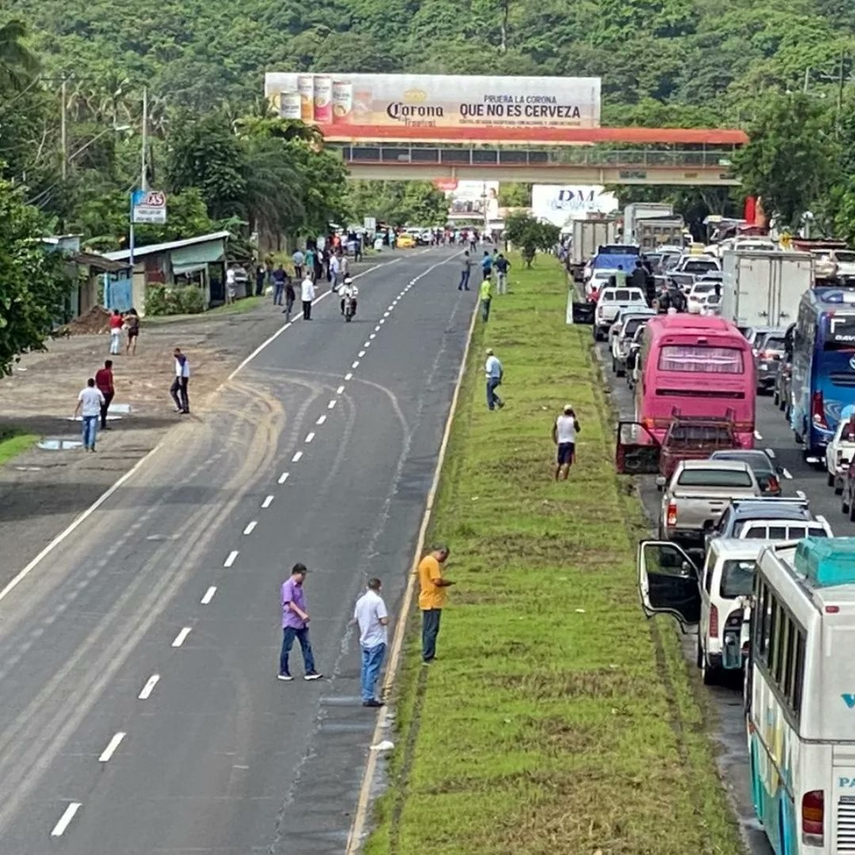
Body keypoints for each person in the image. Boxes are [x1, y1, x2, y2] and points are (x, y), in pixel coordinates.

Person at [278, 563, 322, 681]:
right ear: (296, 573)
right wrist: (302, 614)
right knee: (287, 647)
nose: (304, 577)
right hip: (291, 622)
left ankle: (310, 670)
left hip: (300, 622)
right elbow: (289, 603)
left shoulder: (299, 586)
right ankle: (283, 671)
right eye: (302, 575)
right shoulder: (288, 585)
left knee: (306, 645)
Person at [353, 578, 388, 707]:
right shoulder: (378, 601)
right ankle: (369, 696)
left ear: (367, 587)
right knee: (373, 668)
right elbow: (383, 620)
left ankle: (365, 693)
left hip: (365, 639)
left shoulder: (360, 601)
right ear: (379, 587)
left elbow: (356, 618)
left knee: (366, 667)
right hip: (377, 639)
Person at [418, 545, 453, 663]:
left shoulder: (425, 560)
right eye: (444, 557)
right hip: (432, 601)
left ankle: (427, 653)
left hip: (427, 600)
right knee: (431, 630)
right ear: (441, 552)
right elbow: (437, 581)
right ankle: (428, 656)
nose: (444, 561)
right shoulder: (432, 562)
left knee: (428, 629)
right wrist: (448, 583)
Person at [74, 377, 104, 452]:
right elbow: (103, 401)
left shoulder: (83, 392)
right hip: (94, 413)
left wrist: (75, 411)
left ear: (87, 384)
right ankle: (91, 446)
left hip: (86, 413)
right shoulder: (97, 392)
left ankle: (86, 445)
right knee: (92, 430)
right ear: (94, 384)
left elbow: (79, 402)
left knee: (85, 430)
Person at [552, 404, 581, 480]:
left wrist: (555, 439)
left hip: (561, 442)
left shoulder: (559, 419)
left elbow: (554, 429)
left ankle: (556, 478)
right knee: (567, 462)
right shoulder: (573, 420)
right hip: (569, 442)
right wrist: (574, 417)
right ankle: (565, 478)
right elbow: (578, 430)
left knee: (559, 461)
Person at [95, 359, 115, 431]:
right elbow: (110, 383)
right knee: (104, 408)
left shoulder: (99, 372)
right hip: (107, 392)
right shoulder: (109, 373)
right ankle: (103, 424)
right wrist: (112, 391)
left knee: (102, 407)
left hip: (100, 390)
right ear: (110, 366)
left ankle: (102, 422)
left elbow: (96, 381)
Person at [170, 347, 190, 414]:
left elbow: (181, 367)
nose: (174, 354)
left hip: (182, 377)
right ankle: (183, 408)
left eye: (175, 352)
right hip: (183, 376)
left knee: (176, 391)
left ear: (178, 352)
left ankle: (183, 408)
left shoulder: (180, 357)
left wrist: (180, 378)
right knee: (182, 391)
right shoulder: (181, 357)